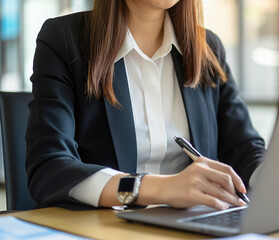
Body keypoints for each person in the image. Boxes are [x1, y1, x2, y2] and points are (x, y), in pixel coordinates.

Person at [26, 0, 265, 210]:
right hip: (104, 228)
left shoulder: (208, 48)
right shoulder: (63, 40)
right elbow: (49, 168)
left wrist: (276, 179)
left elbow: (243, 149)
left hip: (195, 225)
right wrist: (160, 188)